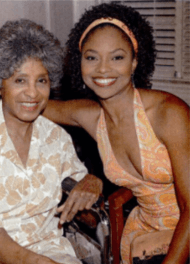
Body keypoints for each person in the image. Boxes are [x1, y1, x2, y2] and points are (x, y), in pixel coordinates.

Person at [43, 2, 190, 264]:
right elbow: (35, 103)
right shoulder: (90, 116)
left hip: (184, 236)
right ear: (80, 63)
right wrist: (10, 78)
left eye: (117, 57)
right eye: (92, 57)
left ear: (135, 61)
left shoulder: (169, 114)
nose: (102, 69)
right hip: (141, 237)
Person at [0, 19, 103, 264]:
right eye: (20, 80)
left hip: (52, 251)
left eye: (41, 81)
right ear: (0, 84)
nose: (33, 93)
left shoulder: (57, 138)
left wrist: (92, 182)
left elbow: (88, 215)